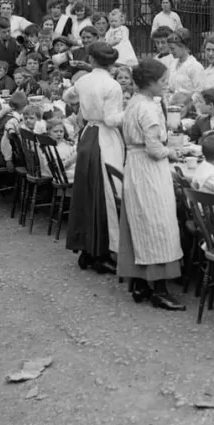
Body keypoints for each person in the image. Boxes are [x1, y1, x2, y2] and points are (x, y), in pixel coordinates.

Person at [118, 58, 186, 311]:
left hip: (135, 165)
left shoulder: (135, 102)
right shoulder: (147, 108)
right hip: (149, 168)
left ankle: (140, 283)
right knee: (158, 223)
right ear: (149, 82)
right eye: (162, 81)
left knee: (141, 220)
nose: (166, 85)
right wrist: (173, 152)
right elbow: (155, 147)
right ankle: (159, 288)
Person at [64, 42, 125, 273]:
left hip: (88, 135)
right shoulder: (113, 85)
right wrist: (130, 111)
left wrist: (83, 102)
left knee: (86, 193)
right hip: (104, 140)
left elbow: (67, 96)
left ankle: (87, 250)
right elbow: (111, 120)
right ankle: (100, 252)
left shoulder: (83, 80)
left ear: (91, 60)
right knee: (105, 193)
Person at [167, 29, 203, 97]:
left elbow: (199, 93)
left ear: (182, 46)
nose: (170, 52)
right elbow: (171, 88)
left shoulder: (195, 67)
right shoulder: (173, 64)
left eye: (173, 48)